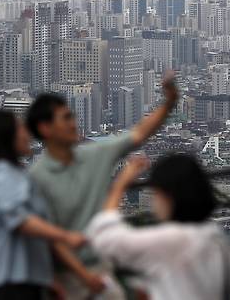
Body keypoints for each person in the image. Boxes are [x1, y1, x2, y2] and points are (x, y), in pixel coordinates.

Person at [27, 73, 179, 298]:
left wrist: (169, 103)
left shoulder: (95, 154)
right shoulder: (38, 178)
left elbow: (138, 134)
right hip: (68, 280)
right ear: (45, 129)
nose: (73, 123)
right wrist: (84, 277)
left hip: (102, 270)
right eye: (66, 118)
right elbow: (51, 239)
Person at [86, 154, 230, 300]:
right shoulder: (217, 239)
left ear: (168, 196)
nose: (153, 202)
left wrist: (120, 185)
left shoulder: (173, 241)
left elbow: (105, 239)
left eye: (155, 194)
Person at [0, 110, 87, 300]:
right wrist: (66, 236)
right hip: (8, 283)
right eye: (21, 129)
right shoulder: (1, 173)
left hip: (20, 281)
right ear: (7, 137)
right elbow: (20, 220)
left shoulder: (13, 174)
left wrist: (48, 279)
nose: (28, 135)